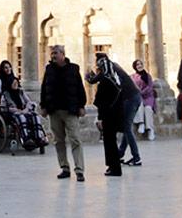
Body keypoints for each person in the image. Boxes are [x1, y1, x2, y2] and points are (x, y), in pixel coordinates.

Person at [40, 45, 90, 180]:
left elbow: (79, 87)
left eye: (55, 53)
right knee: (58, 141)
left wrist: (81, 105)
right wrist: (43, 106)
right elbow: (44, 88)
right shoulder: (49, 69)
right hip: (54, 110)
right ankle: (64, 167)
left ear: (63, 54)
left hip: (70, 110)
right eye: (52, 54)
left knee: (75, 139)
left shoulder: (73, 69)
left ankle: (79, 169)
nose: (53, 56)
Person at [87, 53, 139, 176]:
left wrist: (99, 118)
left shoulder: (105, 82)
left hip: (108, 115)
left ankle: (116, 165)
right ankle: (117, 162)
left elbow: (100, 102)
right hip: (116, 113)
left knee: (110, 140)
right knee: (115, 138)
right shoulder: (115, 81)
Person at [131, 59, 156, 146]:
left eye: (141, 64)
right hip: (138, 97)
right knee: (140, 105)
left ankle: (150, 129)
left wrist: (142, 92)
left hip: (148, 97)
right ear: (135, 66)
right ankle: (141, 123)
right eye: (137, 64)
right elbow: (132, 87)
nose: (139, 66)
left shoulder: (147, 76)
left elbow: (150, 87)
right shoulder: (133, 77)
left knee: (148, 109)